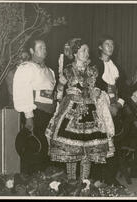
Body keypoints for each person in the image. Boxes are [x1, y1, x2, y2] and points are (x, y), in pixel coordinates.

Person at [45, 39, 115, 181]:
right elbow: (57, 94)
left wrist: (97, 90)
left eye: (87, 50)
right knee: (71, 150)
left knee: (87, 151)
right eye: (83, 50)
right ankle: (71, 182)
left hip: (91, 111)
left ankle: (85, 183)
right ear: (75, 53)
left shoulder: (94, 69)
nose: (86, 53)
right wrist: (61, 85)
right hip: (71, 110)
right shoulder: (67, 70)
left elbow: (102, 87)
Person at [13, 39, 56, 175]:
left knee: (45, 150)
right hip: (34, 113)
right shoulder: (26, 68)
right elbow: (22, 92)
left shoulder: (50, 71)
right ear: (32, 51)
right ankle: (27, 181)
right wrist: (29, 116)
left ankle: (43, 183)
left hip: (48, 115)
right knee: (34, 147)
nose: (44, 49)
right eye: (40, 47)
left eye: (45, 47)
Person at [92, 35, 128, 185]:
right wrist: (107, 107)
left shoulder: (117, 67)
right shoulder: (94, 66)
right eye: (107, 44)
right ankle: (98, 178)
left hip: (115, 109)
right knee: (99, 143)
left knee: (115, 143)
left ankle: (110, 177)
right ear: (100, 47)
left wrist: (118, 105)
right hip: (99, 109)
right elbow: (95, 87)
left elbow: (125, 89)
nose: (111, 47)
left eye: (112, 44)